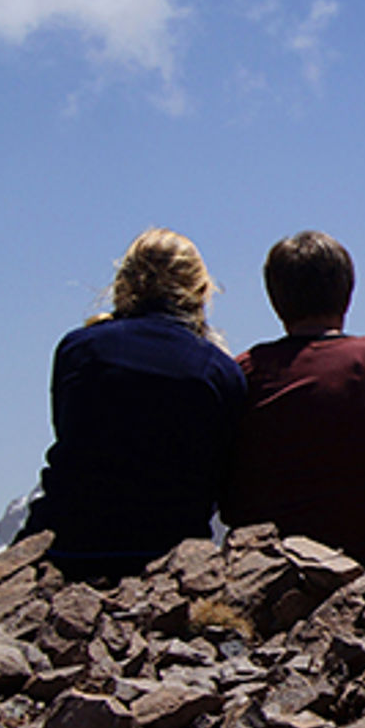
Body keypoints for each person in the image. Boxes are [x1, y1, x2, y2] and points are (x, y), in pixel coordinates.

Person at [21, 228, 248, 581]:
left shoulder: (79, 349)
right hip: (168, 556)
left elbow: (67, 432)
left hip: (69, 546)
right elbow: (223, 474)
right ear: (201, 290)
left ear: (125, 281)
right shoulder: (219, 371)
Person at [220, 231, 365, 566]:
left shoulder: (247, 370)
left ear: (275, 299)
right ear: (347, 293)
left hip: (267, 562)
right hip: (364, 552)